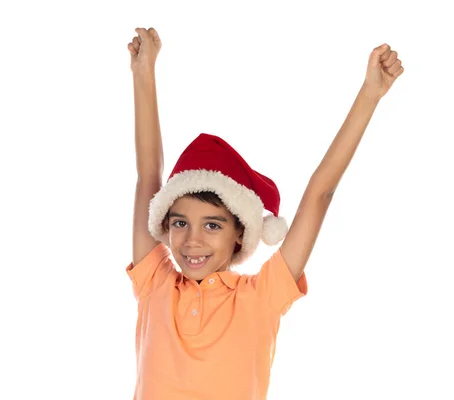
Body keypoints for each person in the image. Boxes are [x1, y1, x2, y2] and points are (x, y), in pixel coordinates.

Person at [126, 26, 404, 400]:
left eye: (212, 225)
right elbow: (149, 177)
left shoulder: (261, 297)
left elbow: (320, 194)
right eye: (180, 223)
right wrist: (144, 72)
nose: (192, 240)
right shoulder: (155, 284)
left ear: (239, 232)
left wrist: (371, 93)